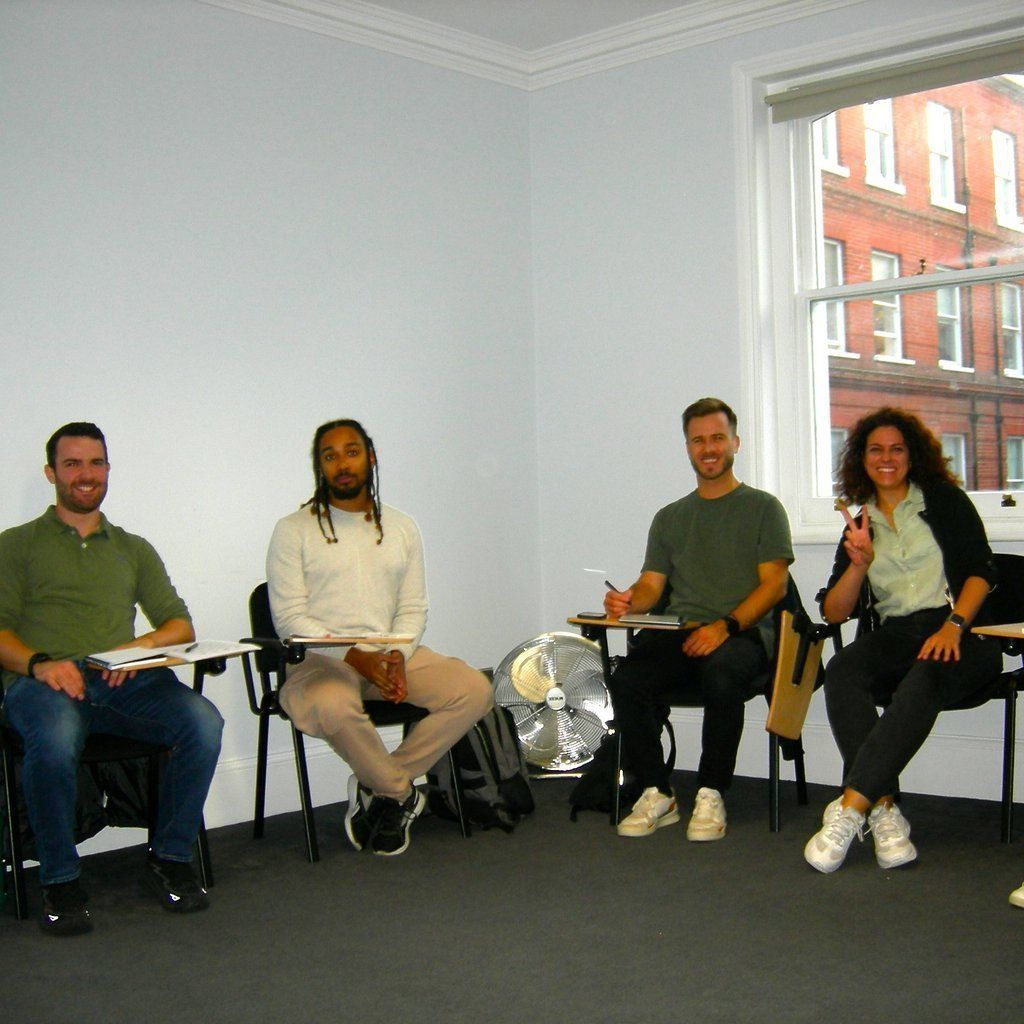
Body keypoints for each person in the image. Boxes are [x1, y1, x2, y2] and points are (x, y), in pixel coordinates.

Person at [0, 423, 223, 935]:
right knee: (55, 736)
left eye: (96, 463)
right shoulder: (16, 544)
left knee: (202, 723)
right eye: (73, 464)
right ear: (51, 473)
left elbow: (180, 626)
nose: (86, 474)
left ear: (107, 470)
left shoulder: (132, 547)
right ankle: (59, 878)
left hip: (119, 680)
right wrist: (39, 663)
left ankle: (170, 857)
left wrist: (135, 650)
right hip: (41, 682)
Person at [265, 419, 493, 857]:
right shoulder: (293, 529)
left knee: (473, 689)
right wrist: (356, 657)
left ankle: (378, 785)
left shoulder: (402, 527)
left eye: (351, 452)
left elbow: (413, 607)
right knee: (332, 703)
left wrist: (397, 656)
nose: (341, 464)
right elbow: (290, 620)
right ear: (319, 467)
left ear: (371, 457)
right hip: (320, 661)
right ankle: (399, 793)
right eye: (329, 456)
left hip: (389, 653)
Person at [804, 407, 1001, 874]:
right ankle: (885, 808)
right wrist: (858, 564)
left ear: (912, 456)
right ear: (862, 459)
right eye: (876, 450)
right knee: (843, 670)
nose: (886, 458)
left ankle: (852, 806)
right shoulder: (859, 524)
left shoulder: (944, 502)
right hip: (896, 633)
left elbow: (982, 571)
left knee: (925, 676)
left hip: (962, 630)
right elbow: (835, 612)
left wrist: (953, 625)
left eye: (896, 449)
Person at [603, 397, 794, 841]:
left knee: (723, 672)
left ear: (735, 443)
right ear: (688, 448)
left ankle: (711, 791)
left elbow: (775, 586)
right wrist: (628, 602)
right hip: (683, 633)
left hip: (743, 633)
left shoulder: (764, 508)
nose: (709, 448)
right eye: (698, 440)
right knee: (627, 678)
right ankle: (657, 792)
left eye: (718, 438)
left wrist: (724, 627)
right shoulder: (669, 518)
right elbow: (651, 586)